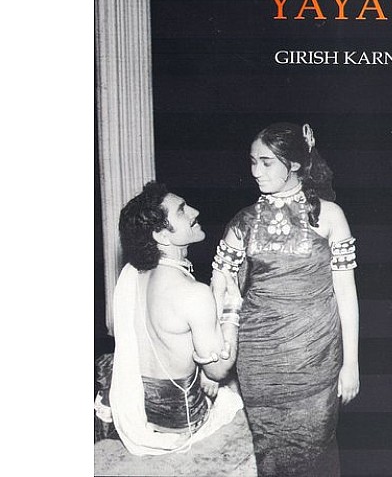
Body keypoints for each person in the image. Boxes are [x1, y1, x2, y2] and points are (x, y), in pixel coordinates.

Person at [211, 123, 360, 476]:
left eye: (266, 162)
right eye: (252, 162)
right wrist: (214, 354)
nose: (255, 171)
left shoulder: (330, 216)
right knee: (270, 453)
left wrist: (351, 363)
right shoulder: (243, 222)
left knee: (315, 450)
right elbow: (219, 288)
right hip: (259, 362)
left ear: (293, 164)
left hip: (316, 359)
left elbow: (346, 294)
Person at [96, 181, 243, 456]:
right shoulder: (192, 293)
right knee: (237, 394)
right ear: (162, 235)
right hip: (184, 422)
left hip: (143, 414)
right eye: (182, 210)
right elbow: (218, 370)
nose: (195, 211)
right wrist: (232, 305)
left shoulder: (133, 274)